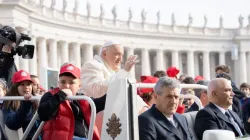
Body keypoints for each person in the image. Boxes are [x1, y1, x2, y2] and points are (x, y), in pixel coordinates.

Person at [80, 40, 147, 133]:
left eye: (122, 55)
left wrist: (145, 108)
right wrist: (123, 72)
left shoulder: (115, 71)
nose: (121, 59)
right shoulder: (92, 65)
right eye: (117, 54)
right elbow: (96, 90)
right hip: (96, 112)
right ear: (104, 54)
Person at [38, 63, 106, 140]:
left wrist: (115, 88)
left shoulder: (83, 99)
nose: (66, 86)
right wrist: (61, 95)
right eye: (63, 82)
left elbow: (100, 103)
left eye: (71, 83)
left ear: (79, 85)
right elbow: (43, 114)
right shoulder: (51, 95)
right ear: (58, 83)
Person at [2, 70, 39, 140]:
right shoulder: (9, 102)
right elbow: (12, 124)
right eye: (22, 84)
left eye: (28, 84)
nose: (26, 87)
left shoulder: (37, 101)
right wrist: (26, 104)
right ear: (15, 87)